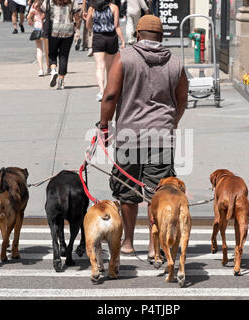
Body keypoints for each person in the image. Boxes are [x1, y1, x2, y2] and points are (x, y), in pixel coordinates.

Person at [99, 15, 188, 258]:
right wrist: (172, 122)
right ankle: (153, 245)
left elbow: (110, 95)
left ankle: (128, 242)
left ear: (138, 35)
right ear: (161, 36)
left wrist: (104, 126)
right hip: (162, 136)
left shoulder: (125, 57)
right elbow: (182, 99)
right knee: (156, 193)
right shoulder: (176, 63)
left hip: (129, 135)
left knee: (127, 190)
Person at [86, 0, 125, 101]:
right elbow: (117, 26)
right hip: (111, 37)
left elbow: (88, 26)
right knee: (110, 67)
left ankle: (101, 91)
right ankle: (109, 90)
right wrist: (122, 40)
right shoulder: (114, 7)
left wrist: (91, 22)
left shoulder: (92, 8)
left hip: (98, 37)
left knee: (100, 66)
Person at [42, 0, 80, 90]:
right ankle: (61, 80)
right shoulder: (72, 1)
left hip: (54, 30)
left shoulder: (49, 1)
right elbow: (77, 15)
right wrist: (77, 27)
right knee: (64, 55)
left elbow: (43, 11)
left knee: (52, 53)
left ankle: (53, 70)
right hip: (68, 30)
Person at [27, 0, 50, 76]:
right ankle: (48, 67)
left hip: (37, 28)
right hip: (46, 28)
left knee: (39, 49)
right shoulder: (47, 3)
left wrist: (31, 20)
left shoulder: (34, 4)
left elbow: (28, 16)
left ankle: (41, 69)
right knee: (47, 50)